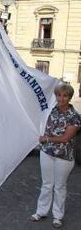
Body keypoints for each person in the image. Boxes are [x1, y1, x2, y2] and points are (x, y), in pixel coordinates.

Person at [30, 83, 80, 228]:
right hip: (47, 152)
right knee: (46, 184)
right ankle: (41, 211)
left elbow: (66, 138)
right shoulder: (51, 110)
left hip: (64, 156)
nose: (61, 98)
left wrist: (46, 139)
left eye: (65, 96)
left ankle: (58, 216)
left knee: (59, 186)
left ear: (70, 98)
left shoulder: (74, 116)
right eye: (59, 95)